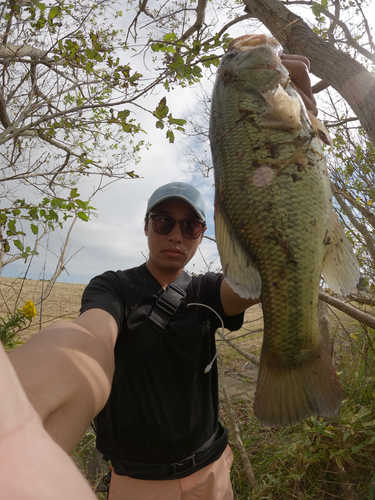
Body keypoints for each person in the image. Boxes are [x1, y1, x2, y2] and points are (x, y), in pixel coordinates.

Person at [2, 54, 317, 500]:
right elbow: (88, 341)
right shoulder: (112, 287)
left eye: (191, 225)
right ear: (147, 226)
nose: (176, 234)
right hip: (137, 485)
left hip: (213, 474)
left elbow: (269, 277)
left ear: (203, 234)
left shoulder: (207, 291)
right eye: (163, 221)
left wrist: (304, 117)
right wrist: (20, 400)